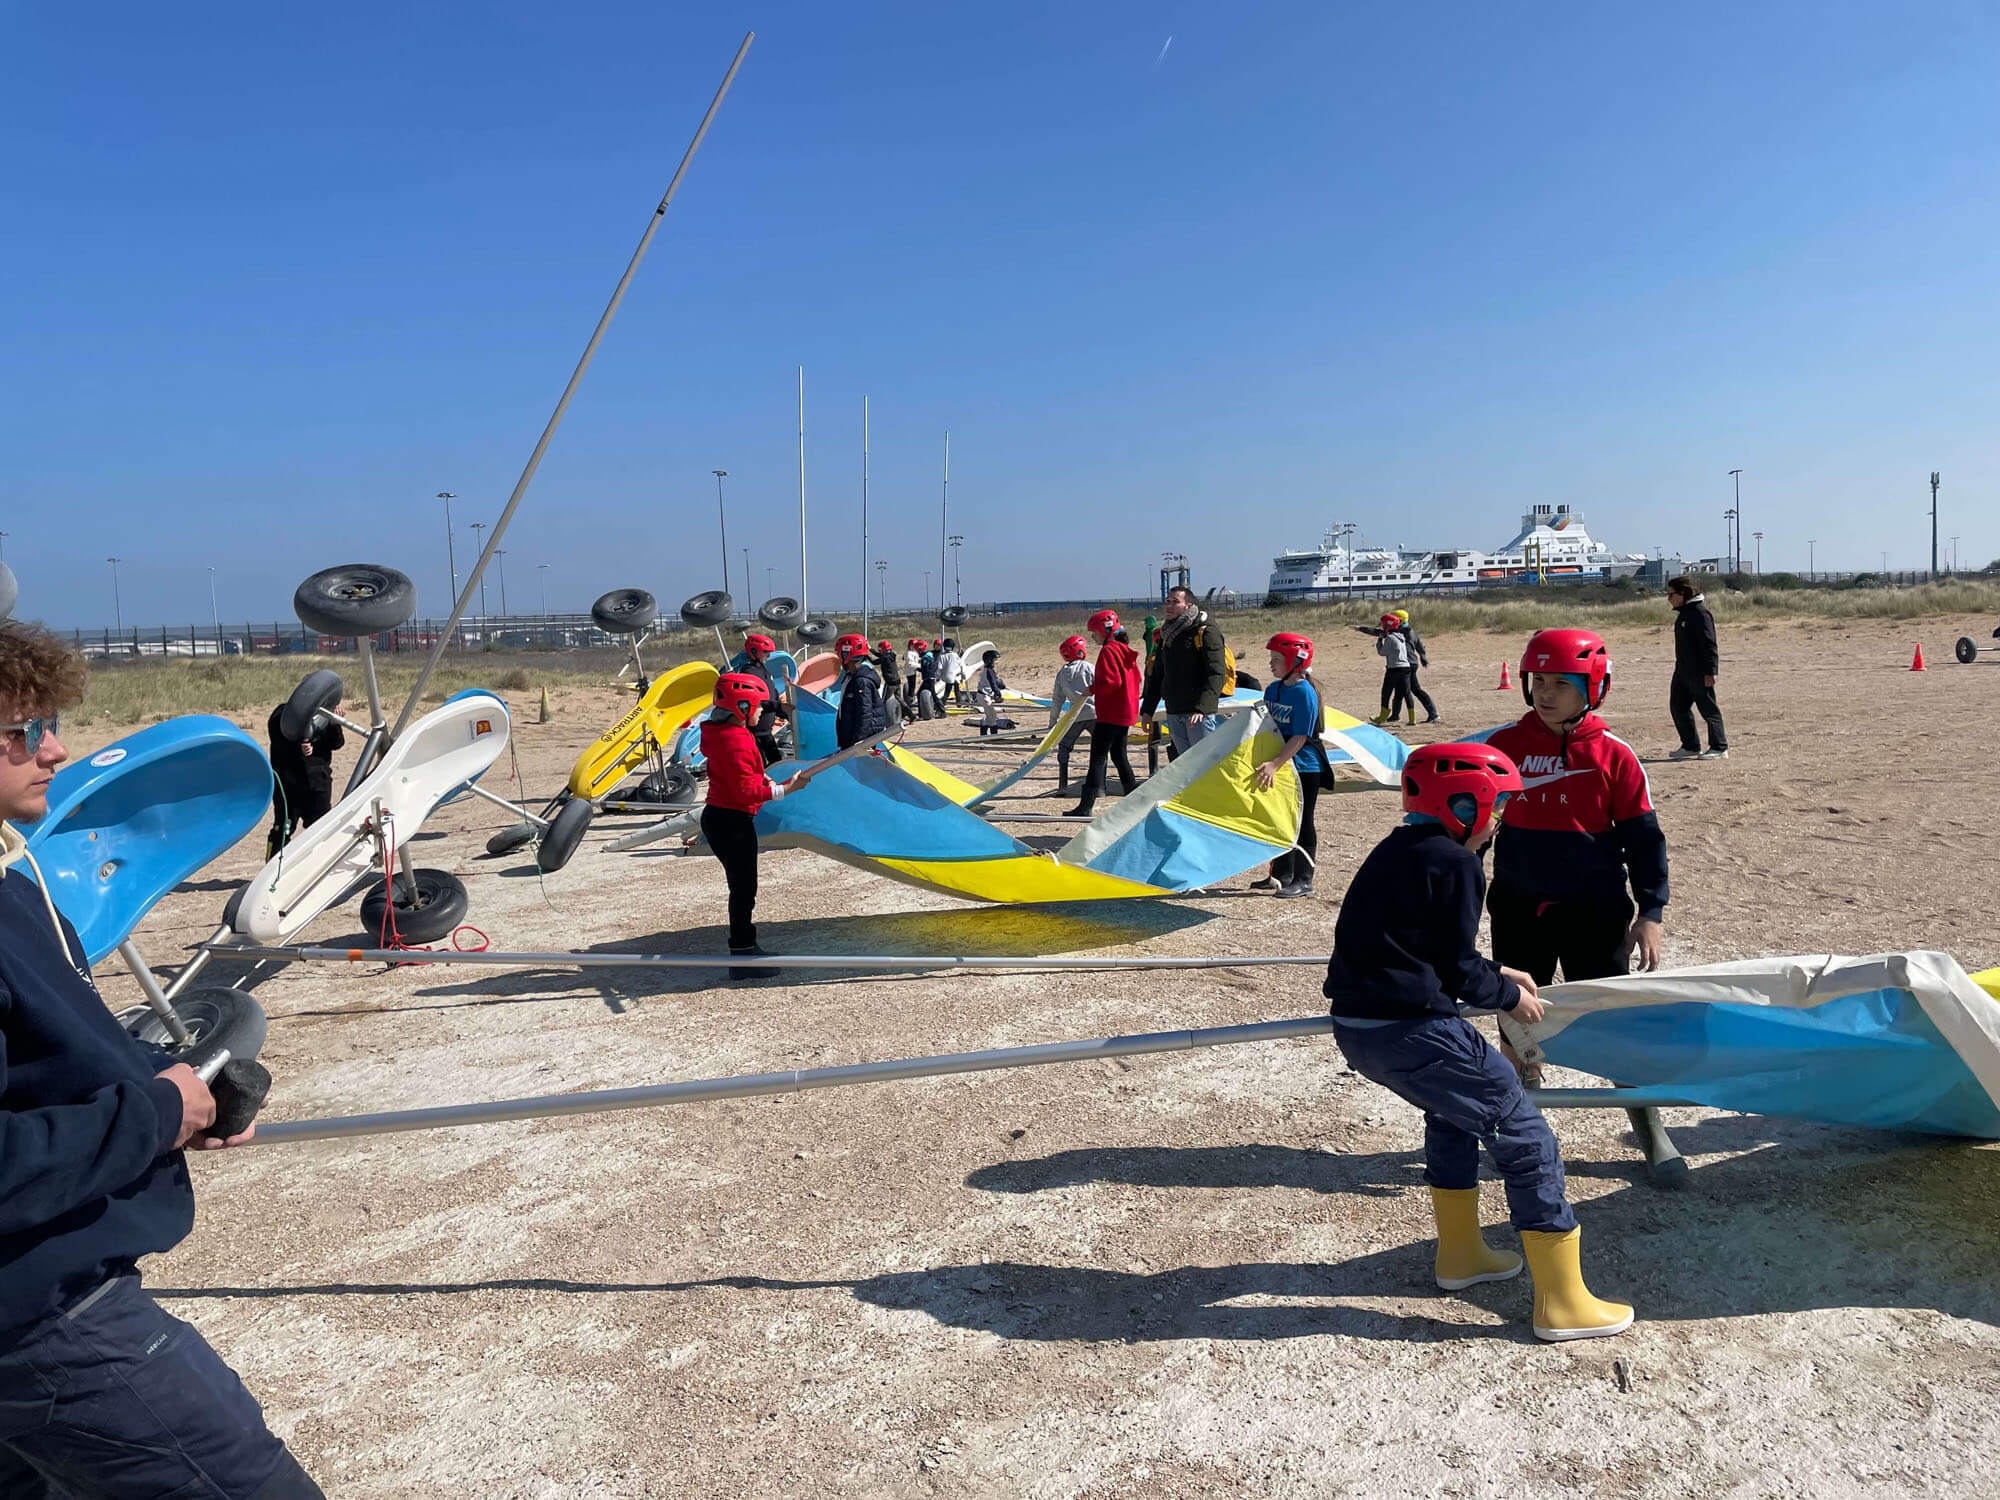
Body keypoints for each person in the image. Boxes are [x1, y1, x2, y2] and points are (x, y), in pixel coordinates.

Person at [0, 622, 325, 1496]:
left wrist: (175, 1104)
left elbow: (38, 1071)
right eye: (22, 731)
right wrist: (149, 1115)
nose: (55, 749)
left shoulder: (10, 877)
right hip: (46, 1324)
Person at [1323, 739, 1633, 1342]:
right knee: (1525, 1133)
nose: (1497, 822)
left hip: (1361, 1027)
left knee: (1454, 1114)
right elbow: (1458, 971)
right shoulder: (1458, 862)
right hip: (1412, 1030)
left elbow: (1432, 950)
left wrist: (1497, 972)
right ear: (1463, 807)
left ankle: (1461, 1257)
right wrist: (1509, 995)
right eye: (1494, 808)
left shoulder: (1399, 850)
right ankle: (1563, 1303)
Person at [1485, 628, 1669, 1108]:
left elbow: (1644, 839)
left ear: (1594, 686)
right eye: (1538, 680)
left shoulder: (1615, 754)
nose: (1546, 693)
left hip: (1596, 908)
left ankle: (1643, 1116)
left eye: (1561, 683)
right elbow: (1472, 829)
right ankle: (1516, 1102)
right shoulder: (1502, 747)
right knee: (1515, 1008)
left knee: (1612, 1016)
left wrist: (1651, 912)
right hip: (1519, 905)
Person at [700, 672, 795, 980]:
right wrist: (785, 789)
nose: (759, 713)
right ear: (740, 707)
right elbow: (745, 792)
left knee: (741, 888)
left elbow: (739, 774)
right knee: (743, 890)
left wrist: (765, 777)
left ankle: (745, 948)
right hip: (732, 822)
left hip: (720, 817)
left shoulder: (721, 733)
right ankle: (742, 956)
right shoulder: (736, 740)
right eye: (755, 708)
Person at [1250, 632, 1330, 899]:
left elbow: (1300, 736)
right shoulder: (1273, 689)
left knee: (1302, 822)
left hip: (1304, 766)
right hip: (1282, 764)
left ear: (1294, 662)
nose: (1271, 664)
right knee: (1280, 817)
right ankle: (1281, 873)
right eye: (1271, 658)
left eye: (1276, 659)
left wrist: (1274, 764)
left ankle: (1304, 879)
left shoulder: (1304, 693)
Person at [1066, 609, 1141, 817]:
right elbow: (1136, 679)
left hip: (1111, 714)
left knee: (1098, 758)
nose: (1092, 636)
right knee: (1119, 755)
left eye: (1094, 632)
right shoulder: (1123, 648)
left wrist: (1092, 689)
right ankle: (1134, 800)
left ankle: (1086, 806)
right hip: (1125, 712)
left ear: (1103, 630)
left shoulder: (1109, 650)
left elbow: (1111, 682)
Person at [1140, 586, 1228, 757]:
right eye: (1168, 601)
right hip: (1174, 711)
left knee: (1205, 765)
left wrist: (1202, 709)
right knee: (1186, 765)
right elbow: (1157, 674)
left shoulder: (1205, 631)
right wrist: (1147, 710)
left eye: (1175, 602)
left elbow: (1216, 673)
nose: (1169, 606)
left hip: (1197, 714)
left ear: (1188, 605)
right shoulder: (1167, 634)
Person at [264, 696, 345, 858]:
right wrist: (298, 746)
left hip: (317, 783)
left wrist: (336, 724)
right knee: (282, 829)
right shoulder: (282, 714)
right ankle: (271, 866)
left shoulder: (324, 715)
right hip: (288, 786)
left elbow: (337, 743)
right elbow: (277, 736)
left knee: (321, 829)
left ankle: (319, 865)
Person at [1665, 576, 1728, 760]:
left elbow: (1710, 644)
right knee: (1678, 706)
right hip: (1682, 670)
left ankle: (1719, 747)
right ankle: (1691, 746)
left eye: (1671, 594)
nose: (1669, 598)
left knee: (1708, 709)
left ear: (1683, 593)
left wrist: (1711, 671)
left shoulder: (1701, 614)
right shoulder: (1684, 614)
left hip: (1700, 671)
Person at [730, 632, 792, 766]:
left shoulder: (764, 670)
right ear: (754, 651)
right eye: (765, 653)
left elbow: (772, 693)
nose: (768, 656)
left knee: (776, 763)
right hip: (755, 731)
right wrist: (778, 707)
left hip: (766, 731)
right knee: (760, 765)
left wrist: (785, 713)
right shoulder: (748, 673)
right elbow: (754, 700)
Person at [1049, 634, 1095, 792]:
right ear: (1080, 651)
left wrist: (1052, 722)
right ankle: (1100, 786)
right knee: (1101, 750)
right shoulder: (1089, 667)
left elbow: (1057, 700)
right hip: (1096, 715)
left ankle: (1062, 786)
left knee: (1064, 747)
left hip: (1075, 716)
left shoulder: (1062, 673)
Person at [1358, 613, 1416, 725]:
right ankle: (1412, 718)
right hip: (1406, 668)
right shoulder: (1401, 637)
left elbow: (1382, 652)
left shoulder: (1390, 638)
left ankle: (1382, 716)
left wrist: (1379, 641)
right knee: (1406, 693)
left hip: (1394, 668)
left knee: (1386, 693)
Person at [833, 634, 886, 750]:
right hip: (853, 736)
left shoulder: (861, 680)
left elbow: (865, 713)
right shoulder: (851, 676)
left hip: (861, 738)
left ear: (847, 654)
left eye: (839, 654)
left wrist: (858, 741)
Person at [1395, 609, 1441, 724]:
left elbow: (1380, 633)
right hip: (1410, 663)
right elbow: (1420, 646)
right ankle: (1394, 715)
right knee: (1400, 689)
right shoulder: (1411, 631)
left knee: (1415, 689)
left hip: (1408, 664)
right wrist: (1423, 658)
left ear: (1399, 620)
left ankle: (1433, 713)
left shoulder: (1403, 632)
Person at [969, 648, 1007, 735]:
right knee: (992, 715)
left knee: (989, 715)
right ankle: (993, 734)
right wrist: (999, 693)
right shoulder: (988, 671)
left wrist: (1002, 686)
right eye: (995, 660)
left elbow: (996, 681)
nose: (997, 662)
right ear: (989, 661)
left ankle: (984, 732)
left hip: (984, 695)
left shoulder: (989, 670)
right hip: (984, 695)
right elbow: (993, 684)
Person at [874, 639, 904, 727]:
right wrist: (870, 649)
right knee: (899, 699)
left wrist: (866, 657)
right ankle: (910, 715)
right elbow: (879, 655)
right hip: (897, 680)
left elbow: (874, 662)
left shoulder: (885, 657)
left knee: (884, 701)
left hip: (890, 682)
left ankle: (884, 718)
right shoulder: (891, 655)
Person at [939, 638, 965, 708]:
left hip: (946, 676)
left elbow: (939, 667)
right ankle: (941, 704)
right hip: (952, 676)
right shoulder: (954, 655)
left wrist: (938, 676)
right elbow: (961, 663)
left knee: (956, 687)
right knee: (949, 691)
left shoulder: (942, 656)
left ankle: (959, 703)